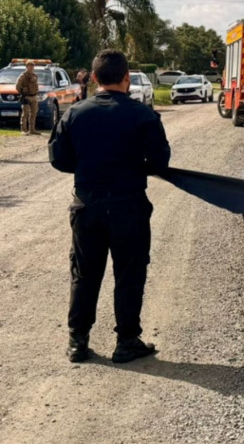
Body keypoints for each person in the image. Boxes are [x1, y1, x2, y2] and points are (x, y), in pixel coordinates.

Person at [48, 49, 171, 363]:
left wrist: (89, 166)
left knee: (84, 274)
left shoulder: (74, 114)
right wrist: (134, 165)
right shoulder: (144, 115)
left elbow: (58, 159)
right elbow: (161, 161)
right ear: (127, 78)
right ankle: (127, 341)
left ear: (92, 78)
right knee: (129, 274)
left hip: (87, 205)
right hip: (128, 206)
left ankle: (78, 342)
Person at [15, 61, 40, 135]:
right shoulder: (23, 76)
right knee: (25, 113)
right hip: (26, 97)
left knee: (33, 113)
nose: (31, 67)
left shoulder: (35, 76)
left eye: (32, 66)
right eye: (30, 66)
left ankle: (32, 129)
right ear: (27, 67)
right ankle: (24, 130)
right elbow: (17, 86)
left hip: (34, 96)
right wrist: (22, 92)